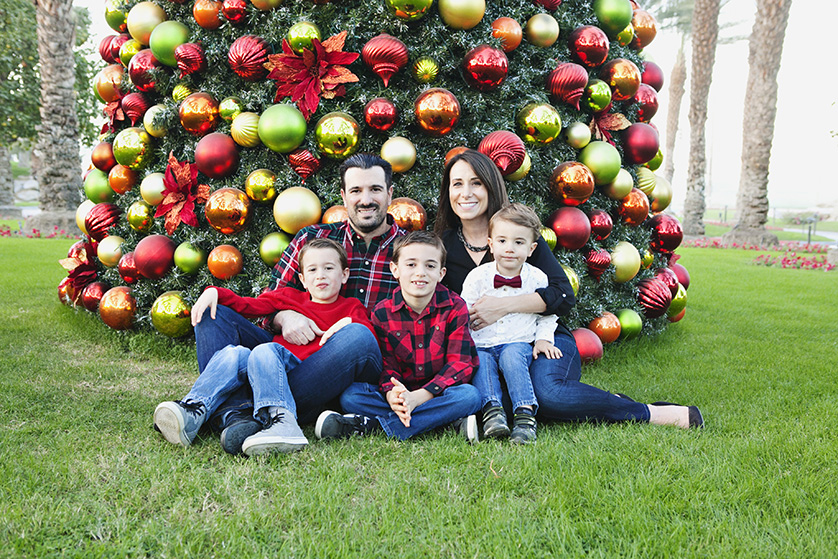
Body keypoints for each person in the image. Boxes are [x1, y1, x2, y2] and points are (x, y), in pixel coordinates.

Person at [434, 149, 703, 430]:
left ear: (490, 186)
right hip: (486, 348)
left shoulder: (517, 235)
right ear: (448, 191)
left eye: (476, 182)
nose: (466, 192)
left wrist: (503, 305)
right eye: (457, 184)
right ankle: (597, 401)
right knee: (492, 401)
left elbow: (563, 295)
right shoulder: (442, 245)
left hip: (542, 337)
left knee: (548, 395)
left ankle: (649, 412)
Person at [194, 153, 405, 454]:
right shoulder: (313, 239)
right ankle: (236, 416)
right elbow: (268, 305)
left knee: (357, 336)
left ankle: (252, 410)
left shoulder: (410, 251)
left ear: (389, 194)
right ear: (344, 197)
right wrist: (285, 317)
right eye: (356, 191)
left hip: (350, 365)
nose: (365, 199)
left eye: (375, 189)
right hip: (290, 359)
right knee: (213, 313)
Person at [153, 239, 375, 456]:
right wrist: (215, 292)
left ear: (344, 274)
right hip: (264, 372)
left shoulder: (351, 307)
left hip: (303, 382)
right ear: (303, 279)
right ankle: (197, 409)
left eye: (329, 268)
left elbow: (366, 337)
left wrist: (348, 324)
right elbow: (248, 305)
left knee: (266, 350)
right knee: (233, 347)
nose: (321, 275)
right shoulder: (289, 297)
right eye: (313, 270)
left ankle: (276, 420)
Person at [314, 231, 482, 442]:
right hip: (401, 392)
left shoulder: (455, 307)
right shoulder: (382, 312)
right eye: (411, 265)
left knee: (469, 396)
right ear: (395, 269)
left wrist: (421, 396)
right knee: (352, 395)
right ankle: (444, 422)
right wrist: (392, 394)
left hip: (437, 393)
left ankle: (375, 426)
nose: (420, 272)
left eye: (430, 266)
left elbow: (460, 363)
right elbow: (387, 366)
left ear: (441, 273)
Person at [461, 203, 562, 444]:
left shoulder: (537, 277)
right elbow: (462, 311)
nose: (510, 249)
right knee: (481, 363)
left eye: (519, 242)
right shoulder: (477, 277)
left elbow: (548, 314)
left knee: (512, 358)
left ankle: (525, 415)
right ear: (491, 243)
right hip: (482, 342)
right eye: (503, 241)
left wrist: (543, 339)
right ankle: (493, 413)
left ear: (531, 248)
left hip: (517, 341)